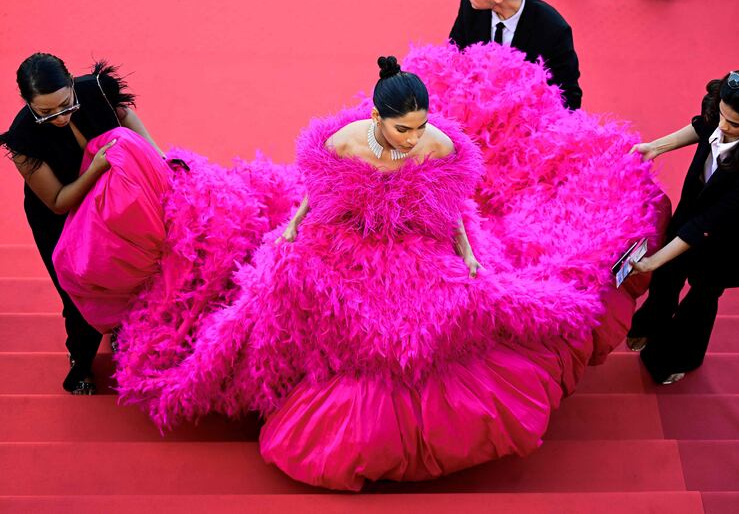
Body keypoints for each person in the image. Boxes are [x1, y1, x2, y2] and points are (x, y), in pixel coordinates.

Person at [114, 50, 663, 491]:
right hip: (346, 237)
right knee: (292, 285)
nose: (414, 138)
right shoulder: (345, 142)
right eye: (404, 129)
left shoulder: (439, 144)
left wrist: (469, 257)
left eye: (421, 126)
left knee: (456, 305)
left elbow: (452, 214)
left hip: (419, 240)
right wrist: (292, 228)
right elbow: (315, 194)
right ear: (377, 120)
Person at [0, 53, 167, 395]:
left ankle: (125, 332)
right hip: (61, 216)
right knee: (78, 289)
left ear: (72, 86)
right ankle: (81, 362)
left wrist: (158, 158)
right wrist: (96, 169)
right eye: (45, 113)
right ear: (28, 104)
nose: (59, 118)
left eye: (65, 105)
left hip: (115, 204)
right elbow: (58, 201)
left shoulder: (95, 91)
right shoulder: (22, 139)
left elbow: (125, 116)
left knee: (134, 270)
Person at [626, 70, 739, 384]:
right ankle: (649, 325)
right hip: (696, 211)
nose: (724, 127)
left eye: (735, 124)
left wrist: (655, 259)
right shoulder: (721, 114)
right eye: (723, 116)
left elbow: (707, 225)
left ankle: (677, 358)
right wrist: (656, 147)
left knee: (700, 298)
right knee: (666, 276)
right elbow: (703, 125)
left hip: (732, 245)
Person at [449, 0, 582, 109]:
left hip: (525, 126)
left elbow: (569, 95)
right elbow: (452, 57)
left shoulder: (553, 29)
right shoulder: (471, 7)